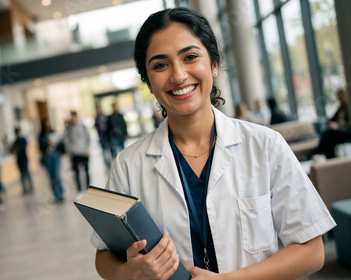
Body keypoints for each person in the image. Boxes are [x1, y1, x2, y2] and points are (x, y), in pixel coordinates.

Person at [92, 7, 335, 279]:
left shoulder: (265, 146)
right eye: (160, 65)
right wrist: (129, 272)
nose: (178, 75)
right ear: (148, 83)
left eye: (190, 57)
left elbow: (312, 251)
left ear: (214, 64)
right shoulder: (128, 164)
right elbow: (103, 255)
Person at [312, 89, 351, 159]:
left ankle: (320, 153)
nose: (339, 99)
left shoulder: (348, 108)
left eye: (341, 97)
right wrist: (330, 123)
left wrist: (338, 126)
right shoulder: (341, 107)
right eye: (338, 98)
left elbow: (348, 125)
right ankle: (329, 158)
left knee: (328, 133)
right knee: (328, 135)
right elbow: (332, 119)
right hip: (339, 131)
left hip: (347, 131)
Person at [38, 118, 64, 202]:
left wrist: (54, 143)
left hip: (55, 155)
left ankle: (61, 193)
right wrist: (46, 143)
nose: (48, 126)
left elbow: (60, 143)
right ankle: (56, 195)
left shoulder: (54, 133)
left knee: (57, 175)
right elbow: (40, 148)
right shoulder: (41, 136)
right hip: (47, 157)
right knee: (51, 177)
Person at [65, 111, 91, 193]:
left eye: (74, 117)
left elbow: (88, 138)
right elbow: (68, 142)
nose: (72, 118)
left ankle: (88, 188)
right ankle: (79, 190)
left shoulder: (83, 126)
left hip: (84, 152)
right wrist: (69, 154)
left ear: (76, 117)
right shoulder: (69, 128)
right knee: (76, 173)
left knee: (86, 171)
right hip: (75, 153)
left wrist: (87, 149)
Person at [11, 127, 34, 195]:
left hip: (24, 159)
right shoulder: (15, 141)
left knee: (27, 173)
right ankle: (24, 188)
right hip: (19, 160)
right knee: (21, 175)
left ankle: (30, 186)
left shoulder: (23, 139)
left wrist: (17, 147)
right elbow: (12, 150)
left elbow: (24, 147)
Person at [94, 103, 110, 168]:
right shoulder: (97, 118)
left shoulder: (105, 116)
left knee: (109, 150)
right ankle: (107, 165)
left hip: (107, 137)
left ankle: (110, 162)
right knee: (104, 151)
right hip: (101, 137)